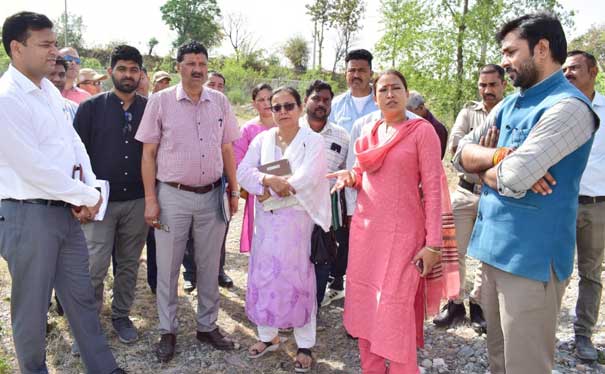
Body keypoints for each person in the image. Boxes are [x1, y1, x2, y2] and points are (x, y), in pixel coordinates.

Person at [453, 13, 598, 374]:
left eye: (511, 51)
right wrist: (499, 157)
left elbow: (515, 179)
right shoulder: (511, 102)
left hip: (531, 263)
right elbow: (459, 155)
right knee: (499, 361)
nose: (504, 61)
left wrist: (488, 167)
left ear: (542, 48)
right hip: (493, 252)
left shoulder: (570, 108)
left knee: (526, 366)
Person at [0, 11, 124, 374]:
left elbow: (73, 144)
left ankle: (102, 367)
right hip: (28, 214)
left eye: (55, 44)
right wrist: (84, 196)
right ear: (17, 48)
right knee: (32, 306)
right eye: (46, 44)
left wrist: (88, 187)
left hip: (64, 211)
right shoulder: (6, 99)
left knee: (81, 298)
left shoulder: (49, 92)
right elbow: (31, 167)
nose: (55, 52)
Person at [328, 69, 457, 373]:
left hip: (403, 238)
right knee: (364, 307)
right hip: (366, 234)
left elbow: (435, 189)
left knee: (395, 312)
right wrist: (351, 177)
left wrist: (434, 245)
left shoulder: (421, 131)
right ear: (375, 98)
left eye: (395, 88)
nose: (389, 94)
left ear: (406, 92)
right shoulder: (370, 131)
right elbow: (363, 173)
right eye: (383, 90)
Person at [136, 40, 240, 363]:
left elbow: (226, 149)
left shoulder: (220, 102)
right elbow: (148, 153)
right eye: (191, 63)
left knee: (209, 266)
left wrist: (233, 190)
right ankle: (168, 331)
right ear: (178, 65)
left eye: (202, 63)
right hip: (171, 198)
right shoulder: (160, 101)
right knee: (167, 266)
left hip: (212, 197)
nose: (197, 69)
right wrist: (151, 199)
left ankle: (207, 326)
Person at [237, 86, 331, 372]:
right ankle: (268, 337)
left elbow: (306, 179)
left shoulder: (311, 142)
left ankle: (304, 343)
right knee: (265, 276)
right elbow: (243, 171)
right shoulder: (263, 140)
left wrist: (270, 192)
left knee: (298, 279)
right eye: (275, 107)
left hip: (297, 224)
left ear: (300, 108)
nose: (282, 112)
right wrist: (267, 179)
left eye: (288, 106)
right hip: (267, 225)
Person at [74, 44, 148, 346]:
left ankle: (121, 316)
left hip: (138, 200)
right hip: (100, 203)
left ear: (141, 74)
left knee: (129, 264)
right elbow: (75, 156)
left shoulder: (149, 108)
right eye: (122, 68)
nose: (128, 75)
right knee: (94, 266)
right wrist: (80, 197)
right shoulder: (91, 108)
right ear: (110, 72)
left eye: (133, 69)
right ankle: (87, 328)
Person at [433, 64, 506, 332]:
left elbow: (515, 157)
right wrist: (491, 155)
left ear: (503, 85)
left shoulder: (512, 113)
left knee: (488, 255)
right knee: (453, 252)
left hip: (496, 195)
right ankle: (454, 303)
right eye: (482, 85)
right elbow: (455, 149)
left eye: (492, 85)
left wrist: (477, 155)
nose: (487, 90)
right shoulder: (467, 113)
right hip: (465, 192)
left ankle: (479, 304)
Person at [323, 48, 376, 307]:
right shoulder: (335, 105)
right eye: (351, 70)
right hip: (338, 184)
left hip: (371, 184)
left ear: (370, 73)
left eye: (361, 70)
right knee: (338, 234)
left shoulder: (380, 104)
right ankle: (336, 281)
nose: (356, 75)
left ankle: (362, 290)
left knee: (365, 237)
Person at [563, 50, 605, 362]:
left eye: (574, 68)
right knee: (554, 271)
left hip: (596, 207)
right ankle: (542, 330)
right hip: (560, 205)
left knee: (590, 273)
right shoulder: (559, 109)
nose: (567, 73)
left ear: (593, 71)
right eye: (564, 68)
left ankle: (583, 334)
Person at [180, 69, 234, 292]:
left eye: (221, 85)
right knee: (189, 232)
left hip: (218, 181)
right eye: (213, 83)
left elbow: (229, 147)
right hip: (188, 183)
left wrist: (233, 185)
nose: (217, 88)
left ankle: (217, 270)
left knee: (219, 230)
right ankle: (190, 274)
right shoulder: (184, 108)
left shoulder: (223, 108)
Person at [300, 80, 349, 311]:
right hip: (294, 206)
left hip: (325, 210)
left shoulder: (342, 136)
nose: (321, 104)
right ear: (305, 100)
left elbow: (347, 173)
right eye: (316, 98)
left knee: (322, 258)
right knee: (295, 259)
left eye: (326, 100)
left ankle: (314, 307)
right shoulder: (290, 130)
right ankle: (292, 307)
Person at [232, 83, 275, 254]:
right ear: (254, 104)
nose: (266, 103)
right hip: (258, 189)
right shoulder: (248, 129)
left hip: (285, 188)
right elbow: (238, 160)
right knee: (260, 237)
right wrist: (259, 179)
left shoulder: (287, 125)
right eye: (261, 100)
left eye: (270, 99)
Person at [406, 90, 448, 158]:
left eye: (410, 112)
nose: (407, 115)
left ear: (421, 108)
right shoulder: (406, 123)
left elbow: (435, 159)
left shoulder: (437, 129)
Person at [48, 56, 78, 123]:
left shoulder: (74, 108)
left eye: (61, 75)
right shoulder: (31, 107)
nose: (57, 79)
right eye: (51, 74)